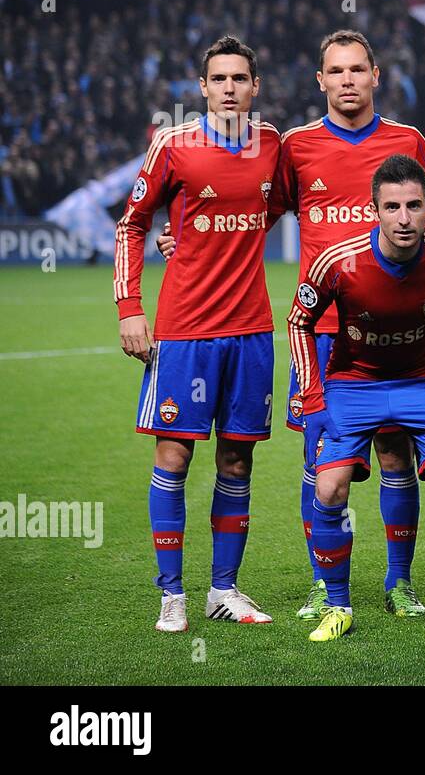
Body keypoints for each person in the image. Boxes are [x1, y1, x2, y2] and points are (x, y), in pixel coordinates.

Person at [287, 155, 425, 641]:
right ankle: (336, 605)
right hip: (353, 383)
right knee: (329, 489)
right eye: (392, 207)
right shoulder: (337, 262)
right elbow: (298, 321)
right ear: (375, 210)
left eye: (414, 206)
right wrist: (315, 399)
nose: (404, 219)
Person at [115, 35, 280, 632]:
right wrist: (130, 308)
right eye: (220, 79)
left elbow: (284, 204)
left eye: (241, 78)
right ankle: (172, 596)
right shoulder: (173, 145)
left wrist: (195, 234)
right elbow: (132, 223)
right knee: (174, 454)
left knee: (238, 461)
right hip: (184, 330)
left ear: (255, 87)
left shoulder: (273, 147)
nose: (231, 89)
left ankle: (223, 590)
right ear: (203, 88)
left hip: (252, 330)